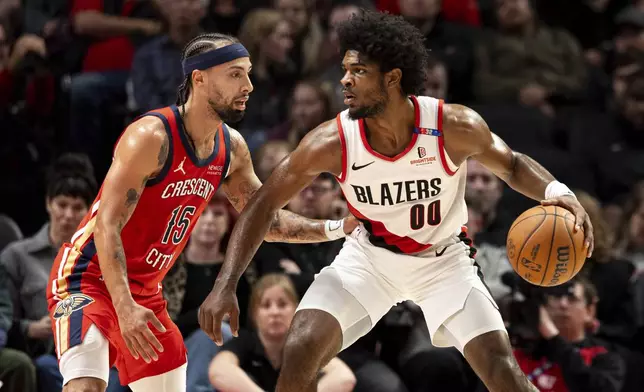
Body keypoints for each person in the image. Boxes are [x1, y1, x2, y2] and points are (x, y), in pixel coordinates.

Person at [199, 10, 595, 392]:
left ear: (392, 78)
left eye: (358, 72)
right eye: (344, 71)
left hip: (444, 261)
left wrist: (559, 194)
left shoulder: (452, 126)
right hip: (369, 259)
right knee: (301, 345)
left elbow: (512, 165)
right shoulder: (332, 142)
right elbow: (263, 205)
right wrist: (225, 282)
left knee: (501, 370)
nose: (345, 81)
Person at [46, 32, 357, 392]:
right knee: (86, 386)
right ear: (200, 78)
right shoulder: (151, 136)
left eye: (249, 73)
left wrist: (338, 227)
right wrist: (124, 307)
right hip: (88, 276)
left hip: (146, 288)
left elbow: (266, 221)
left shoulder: (231, 148)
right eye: (235, 74)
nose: (249, 86)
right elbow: (107, 225)